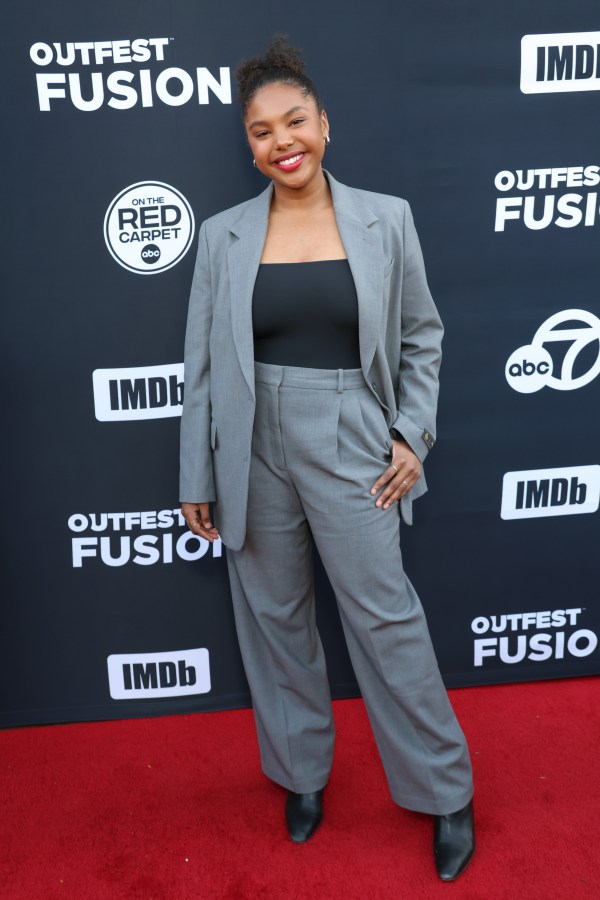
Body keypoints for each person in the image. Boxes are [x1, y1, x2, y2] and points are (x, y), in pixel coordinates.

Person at [180, 36, 475, 881]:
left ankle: (444, 791)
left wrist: (411, 435)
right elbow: (200, 367)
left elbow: (422, 338)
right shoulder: (221, 236)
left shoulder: (388, 219)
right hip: (250, 441)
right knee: (275, 621)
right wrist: (196, 474)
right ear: (250, 144)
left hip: (351, 428)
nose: (281, 142)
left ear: (324, 124)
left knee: (385, 619)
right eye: (260, 131)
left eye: (294, 121)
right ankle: (301, 775)